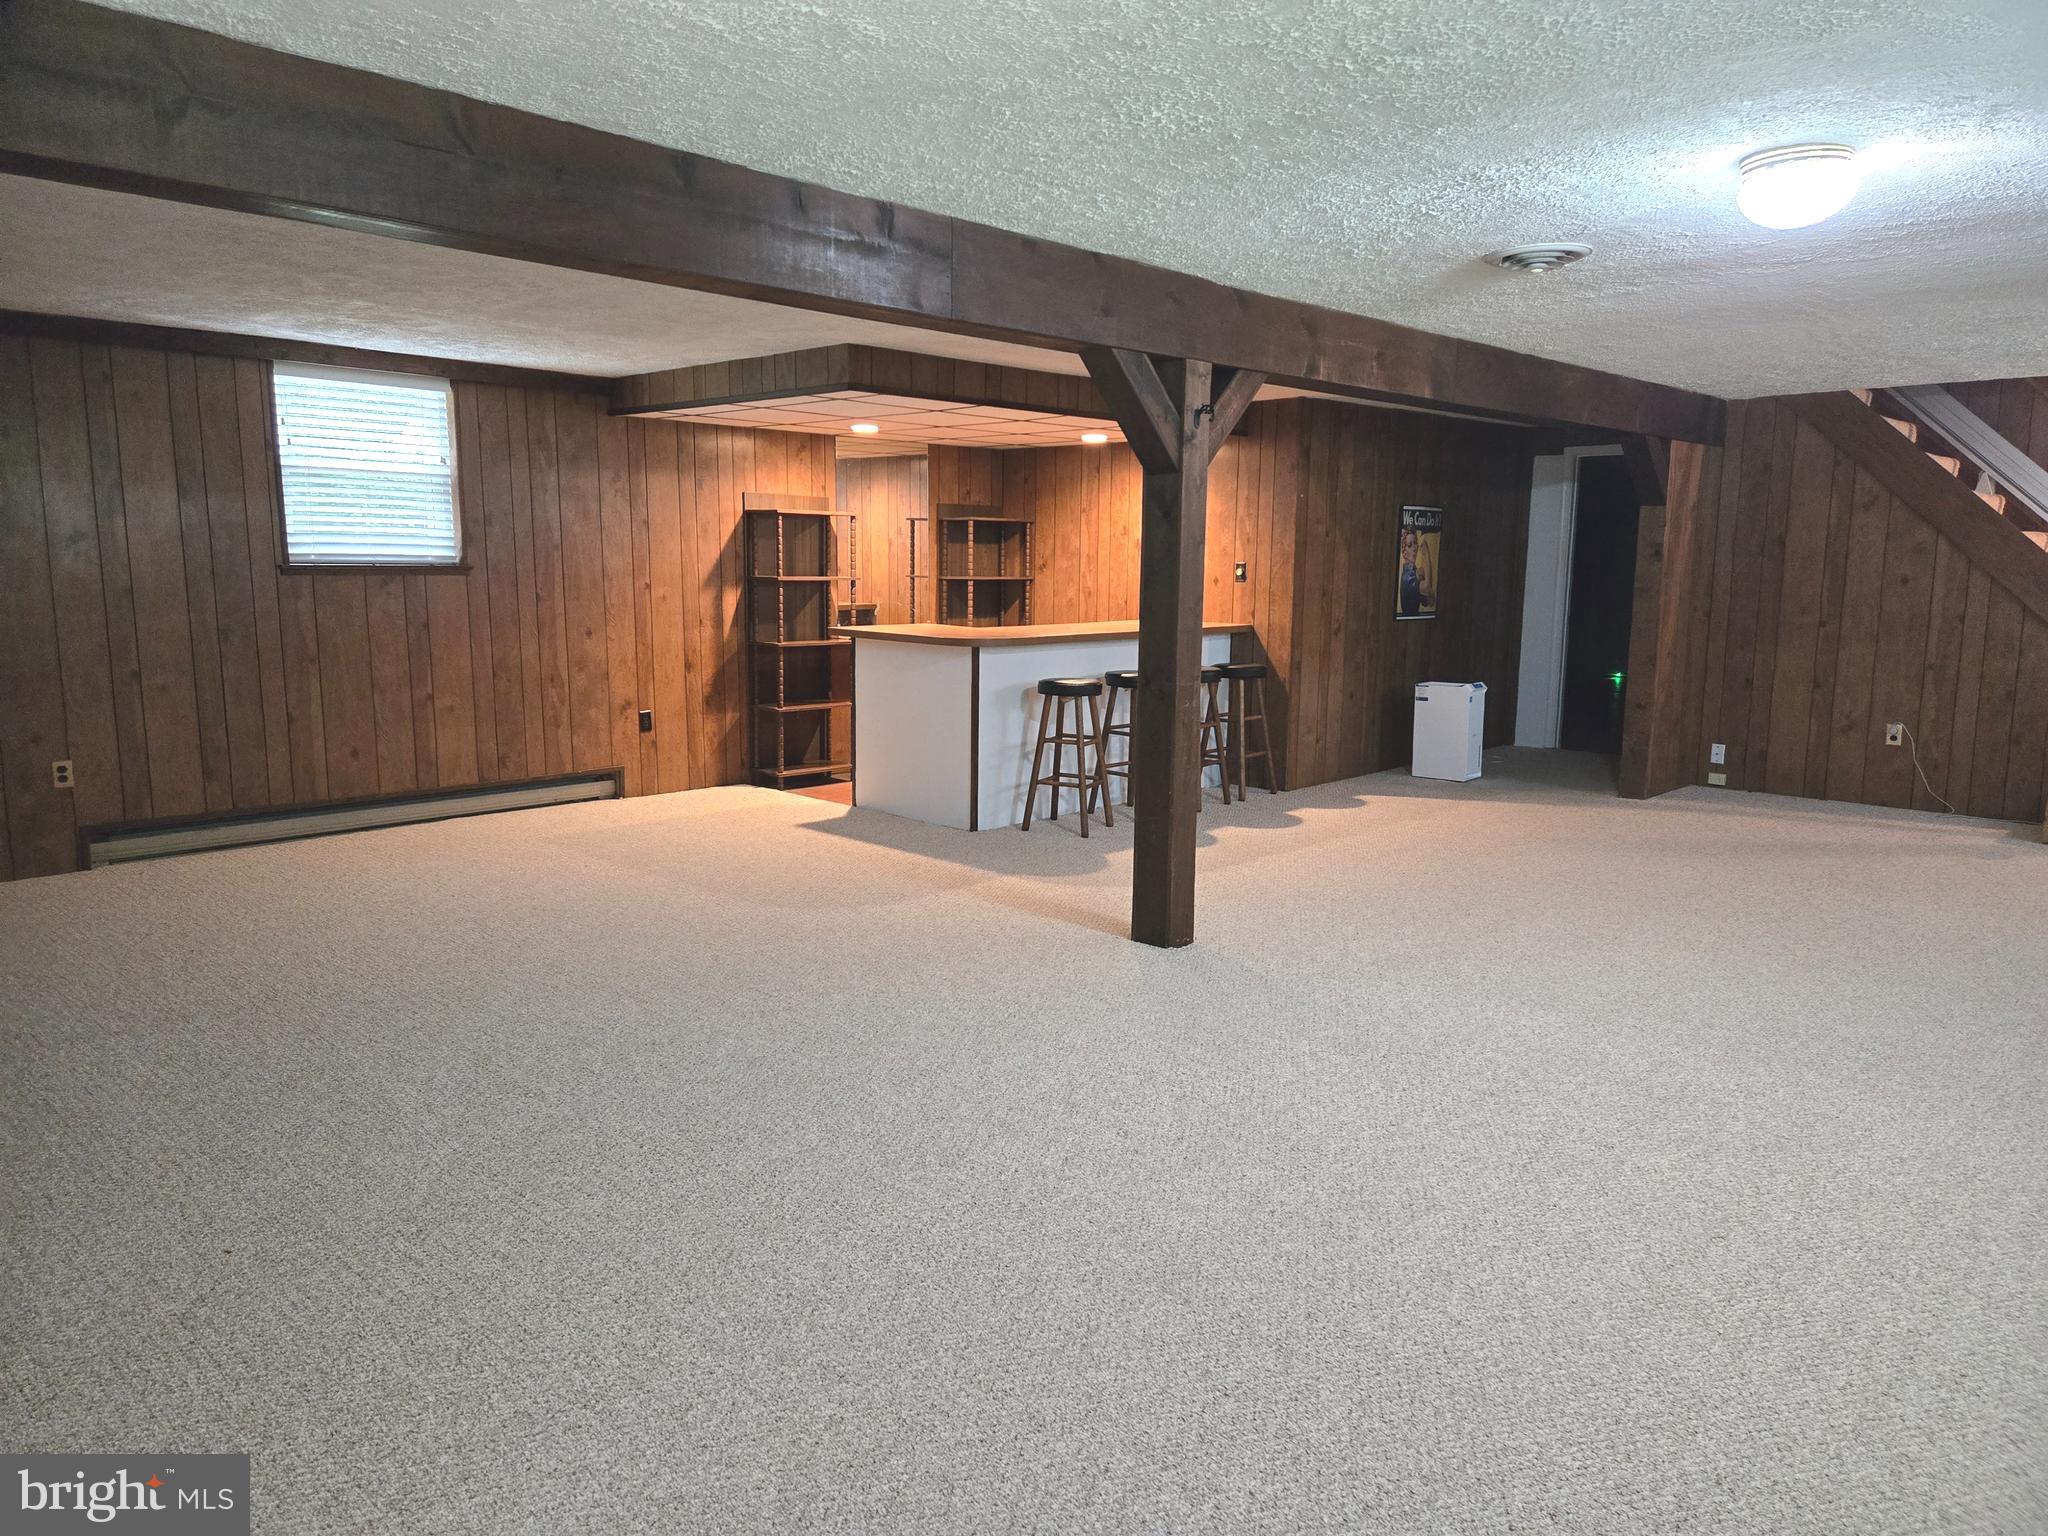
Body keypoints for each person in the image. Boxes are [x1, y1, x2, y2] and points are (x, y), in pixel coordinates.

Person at [1398, 525, 1436, 617]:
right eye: (1410, 545)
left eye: (1415, 543)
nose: (1414, 548)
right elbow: (1427, 587)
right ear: (1403, 551)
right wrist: (1426, 555)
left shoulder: (1412, 571)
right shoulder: (1408, 578)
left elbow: (1429, 601)